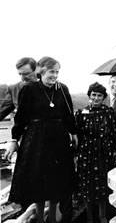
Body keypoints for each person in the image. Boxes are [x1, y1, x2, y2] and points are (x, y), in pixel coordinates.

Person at [4, 56, 78, 223]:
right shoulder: (29, 89)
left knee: (56, 182)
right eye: (52, 71)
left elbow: (68, 114)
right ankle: (38, 216)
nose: (55, 75)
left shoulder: (62, 89)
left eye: (57, 72)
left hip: (58, 140)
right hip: (36, 141)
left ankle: (52, 217)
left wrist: (73, 133)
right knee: (38, 182)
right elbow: (21, 118)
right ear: (41, 71)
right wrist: (14, 140)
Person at [75, 82, 116, 223]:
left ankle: (102, 216)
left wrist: (114, 152)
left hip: (104, 154)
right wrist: (77, 154)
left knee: (102, 186)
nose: (96, 98)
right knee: (88, 187)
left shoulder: (109, 112)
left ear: (103, 97)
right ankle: (89, 217)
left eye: (99, 95)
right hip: (87, 154)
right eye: (93, 95)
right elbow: (79, 135)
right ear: (89, 95)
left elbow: (113, 133)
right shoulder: (81, 113)